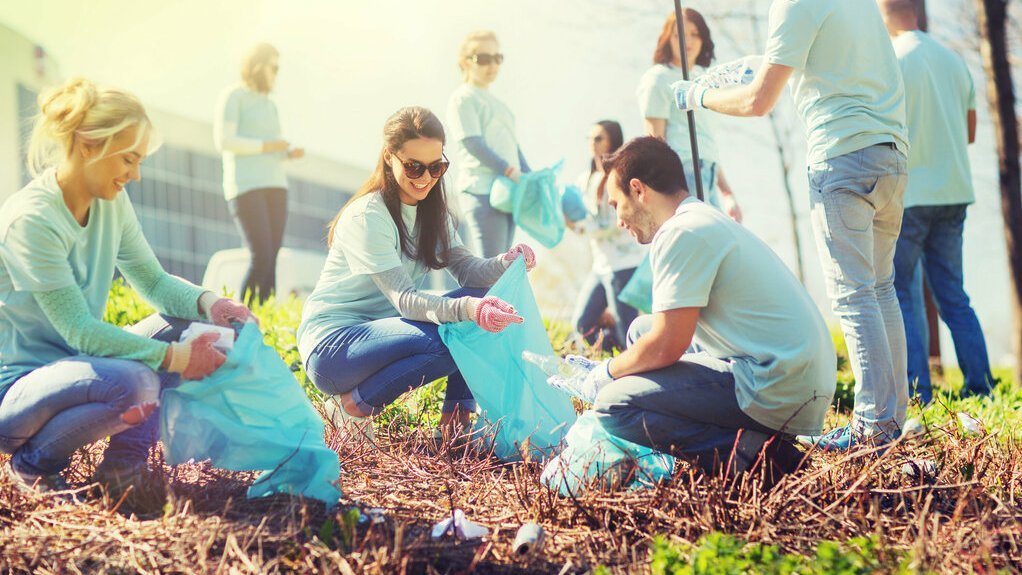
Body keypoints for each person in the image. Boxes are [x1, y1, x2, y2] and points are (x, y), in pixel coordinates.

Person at [0, 78, 256, 508]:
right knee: (137, 383)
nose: (135, 175)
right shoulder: (32, 220)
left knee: (203, 329)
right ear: (88, 146)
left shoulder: (111, 201)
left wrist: (212, 304)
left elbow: (152, 282)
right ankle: (34, 465)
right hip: (17, 392)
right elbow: (81, 331)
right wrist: (175, 359)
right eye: (128, 159)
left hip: (80, 368)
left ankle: (122, 471)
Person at [672, 0, 910, 450]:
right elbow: (828, 59)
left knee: (855, 295)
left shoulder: (792, 4)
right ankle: (891, 420)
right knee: (880, 289)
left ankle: (873, 427)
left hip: (841, 158)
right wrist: (760, 63)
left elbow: (758, 101)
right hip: (890, 154)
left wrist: (696, 96)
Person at [572, 136, 834, 481]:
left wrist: (607, 372)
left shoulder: (681, 232)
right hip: (793, 374)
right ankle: (744, 438)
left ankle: (757, 455)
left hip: (776, 385)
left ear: (638, 190)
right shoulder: (700, 218)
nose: (618, 220)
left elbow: (667, 345)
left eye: (616, 203)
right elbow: (660, 335)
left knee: (614, 405)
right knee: (639, 331)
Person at [297, 107, 535, 442]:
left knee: (480, 306)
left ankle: (456, 424)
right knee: (458, 335)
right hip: (333, 350)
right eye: (413, 166)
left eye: (436, 167)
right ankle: (352, 406)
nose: (425, 177)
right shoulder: (369, 216)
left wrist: (504, 262)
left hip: (384, 338)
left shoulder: (433, 215)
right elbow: (406, 301)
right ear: (389, 157)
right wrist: (470, 311)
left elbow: (468, 272)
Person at [879, 0, 997, 403]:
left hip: (911, 195)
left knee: (901, 292)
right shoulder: (954, 60)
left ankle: (919, 393)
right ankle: (981, 388)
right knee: (953, 295)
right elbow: (969, 133)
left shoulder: (890, 61)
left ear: (883, 11)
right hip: (954, 193)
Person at [214, 42, 304, 305]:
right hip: (246, 187)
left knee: (272, 257)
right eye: (273, 67)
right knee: (261, 255)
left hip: (276, 185)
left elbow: (271, 148)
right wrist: (268, 146)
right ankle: (242, 317)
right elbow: (224, 141)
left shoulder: (270, 105)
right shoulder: (234, 96)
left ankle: (263, 318)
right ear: (257, 65)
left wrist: (286, 153)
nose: (276, 73)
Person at [636, 9, 742, 221]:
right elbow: (655, 143)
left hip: (708, 173)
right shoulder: (659, 78)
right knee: (702, 233)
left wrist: (727, 192)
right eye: (680, 35)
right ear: (668, 38)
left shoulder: (703, 81)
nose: (688, 41)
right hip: (682, 172)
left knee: (718, 235)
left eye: (695, 34)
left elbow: (705, 142)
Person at [447, 30, 532, 257]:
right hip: (482, 190)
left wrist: (529, 176)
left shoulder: (500, 105)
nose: (492, 65)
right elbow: (472, 143)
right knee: (492, 265)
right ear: (465, 62)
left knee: (504, 265)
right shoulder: (463, 98)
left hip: (508, 191)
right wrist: (510, 170)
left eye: (497, 58)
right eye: (484, 58)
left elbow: (513, 147)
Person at [569, 120, 646, 351]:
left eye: (598, 138)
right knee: (582, 324)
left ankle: (634, 361)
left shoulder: (622, 177)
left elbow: (619, 220)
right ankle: (615, 356)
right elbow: (580, 217)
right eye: (589, 138)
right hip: (600, 265)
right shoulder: (585, 179)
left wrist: (585, 228)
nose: (592, 143)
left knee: (627, 330)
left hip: (623, 264)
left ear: (612, 140)